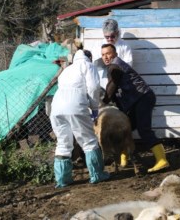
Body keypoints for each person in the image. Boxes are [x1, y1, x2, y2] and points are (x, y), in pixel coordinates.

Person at [101, 43, 169, 173]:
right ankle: (124, 159)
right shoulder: (114, 66)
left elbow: (112, 86)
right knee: (125, 129)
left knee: (144, 130)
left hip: (142, 98)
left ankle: (162, 160)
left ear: (115, 54)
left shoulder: (114, 67)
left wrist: (104, 101)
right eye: (103, 55)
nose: (106, 57)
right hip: (139, 99)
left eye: (108, 53)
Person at [50, 49, 109, 187]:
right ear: (89, 57)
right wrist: (94, 107)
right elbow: (94, 88)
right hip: (75, 105)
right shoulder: (88, 65)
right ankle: (97, 175)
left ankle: (62, 180)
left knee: (63, 143)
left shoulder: (67, 70)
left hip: (57, 106)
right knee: (89, 141)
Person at [94, 19, 133, 89]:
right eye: (107, 37)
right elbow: (95, 64)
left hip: (121, 82)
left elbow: (129, 65)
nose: (109, 39)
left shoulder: (124, 46)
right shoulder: (98, 45)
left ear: (117, 33)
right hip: (103, 82)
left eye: (112, 36)